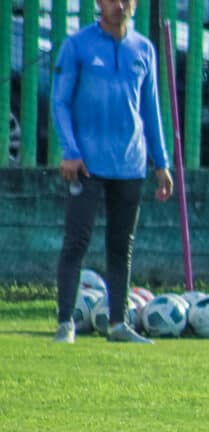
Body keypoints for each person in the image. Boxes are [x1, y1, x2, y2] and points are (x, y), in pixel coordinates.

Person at [51, 0, 173, 344]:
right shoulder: (78, 45)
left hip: (130, 165)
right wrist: (70, 151)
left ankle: (118, 324)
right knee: (76, 243)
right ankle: (65, 324)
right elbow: (59, 101)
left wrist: (160, 163)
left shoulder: (143, 48)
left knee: (121, 247)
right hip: (87, 165)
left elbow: (150, 108)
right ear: (98, 3)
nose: (119, 5)